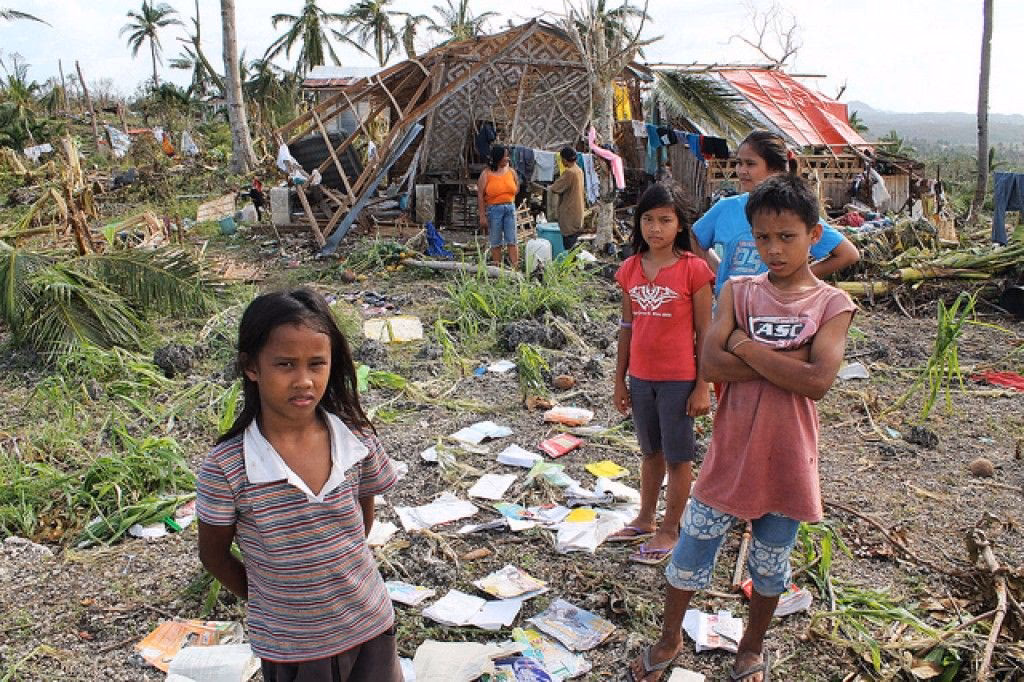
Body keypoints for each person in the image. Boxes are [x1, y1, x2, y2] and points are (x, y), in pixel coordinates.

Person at [627, 175, 856, 682]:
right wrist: (785, 358)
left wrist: (746, 346)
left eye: (787, 237)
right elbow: (710, 363)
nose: (773, 249)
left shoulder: (831, 306)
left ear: (813, 235)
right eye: (763, 238)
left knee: (770, 567)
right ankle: (669, 639)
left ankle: (750, 649)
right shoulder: (738, 290)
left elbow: (817, 381)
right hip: (730, 454)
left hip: (789, 460)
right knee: (690, 552)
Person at [197, 288, 401, 682]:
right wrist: (275, 601)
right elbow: (215, 556)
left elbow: (360, 521)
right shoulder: (228, 467)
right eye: (285, 364)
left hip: (370, 626)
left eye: (316, 364)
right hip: (293, 648)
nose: (304, 381)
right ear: (251, 367)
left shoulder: (355, 440)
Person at [609, 183, 714, 565]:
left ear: (680, 225)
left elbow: (706, 333)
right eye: (648, 220)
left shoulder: (695, 271)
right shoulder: (630, 269)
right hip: (641, 379)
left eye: (665, 220)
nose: (655, 228)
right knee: (649, 452)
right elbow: (626, 327)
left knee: (678, 457)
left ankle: (671, 527)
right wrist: (620, 379)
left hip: (679, 379)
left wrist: (703, 385)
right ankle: (644, 517)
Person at [692, 130, 860, 296]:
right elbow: (695, 238)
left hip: (776, 311)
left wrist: (792, 281)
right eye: (739, 162)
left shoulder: (794, 212)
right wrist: (719, 272)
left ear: (775, 169)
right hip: (729, 310)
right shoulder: (726, 208)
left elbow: (847, 254)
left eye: (750, 164)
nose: (742, 170)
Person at [477, 144, 520, 268]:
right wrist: (482, 216)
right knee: (496, 242)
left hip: (510, 208)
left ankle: (515, 269)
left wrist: (507, 197)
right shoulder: (486, 174)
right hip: (494, 210)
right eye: (505, 156)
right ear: (497, 158)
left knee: (512, 240)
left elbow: (516, 188)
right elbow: (480, 195)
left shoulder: (511, 171)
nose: (508, 159)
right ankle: (497, 269)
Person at [547, 146, 585, 250]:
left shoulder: (569, 172)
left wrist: (550, 187)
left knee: (569, 246)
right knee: (575, 246)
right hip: (578, 213)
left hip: (569, 215)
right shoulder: (579, 170)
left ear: (564, 159)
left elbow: (555, 188)